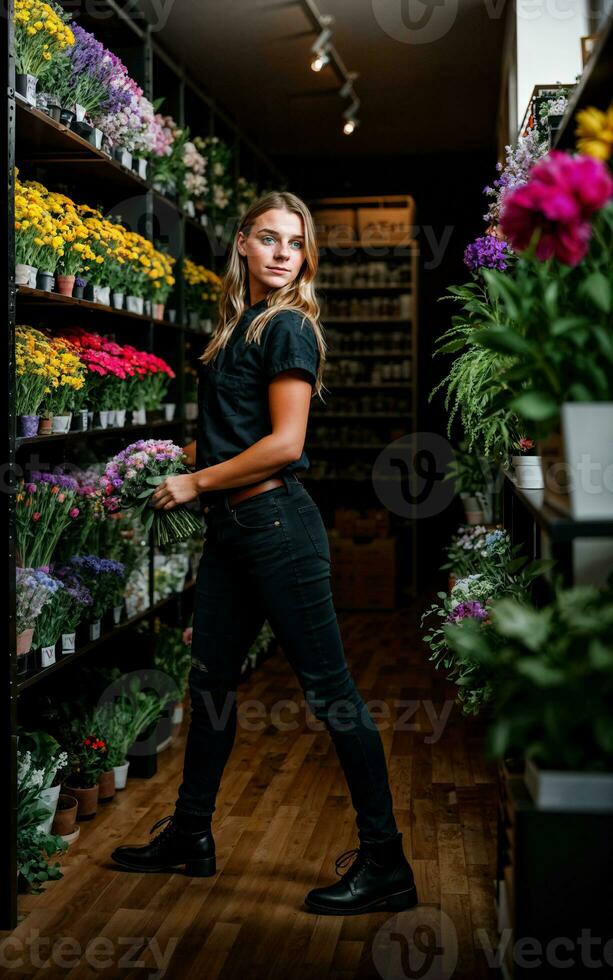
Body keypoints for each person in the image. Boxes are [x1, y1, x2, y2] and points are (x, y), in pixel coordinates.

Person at [110, 191, 418, 915]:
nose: (284, 253)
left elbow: (285, 445)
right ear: (242, 244)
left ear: (304, 257)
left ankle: (386, 862)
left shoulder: (287, 328)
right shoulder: (238, 326)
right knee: (211, 685)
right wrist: (169, 462)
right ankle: (190, 833)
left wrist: (193, 481)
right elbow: (234, 433)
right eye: (270, 239)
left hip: (278, 527)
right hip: (233, 533)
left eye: (296, 243)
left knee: (330, 693)